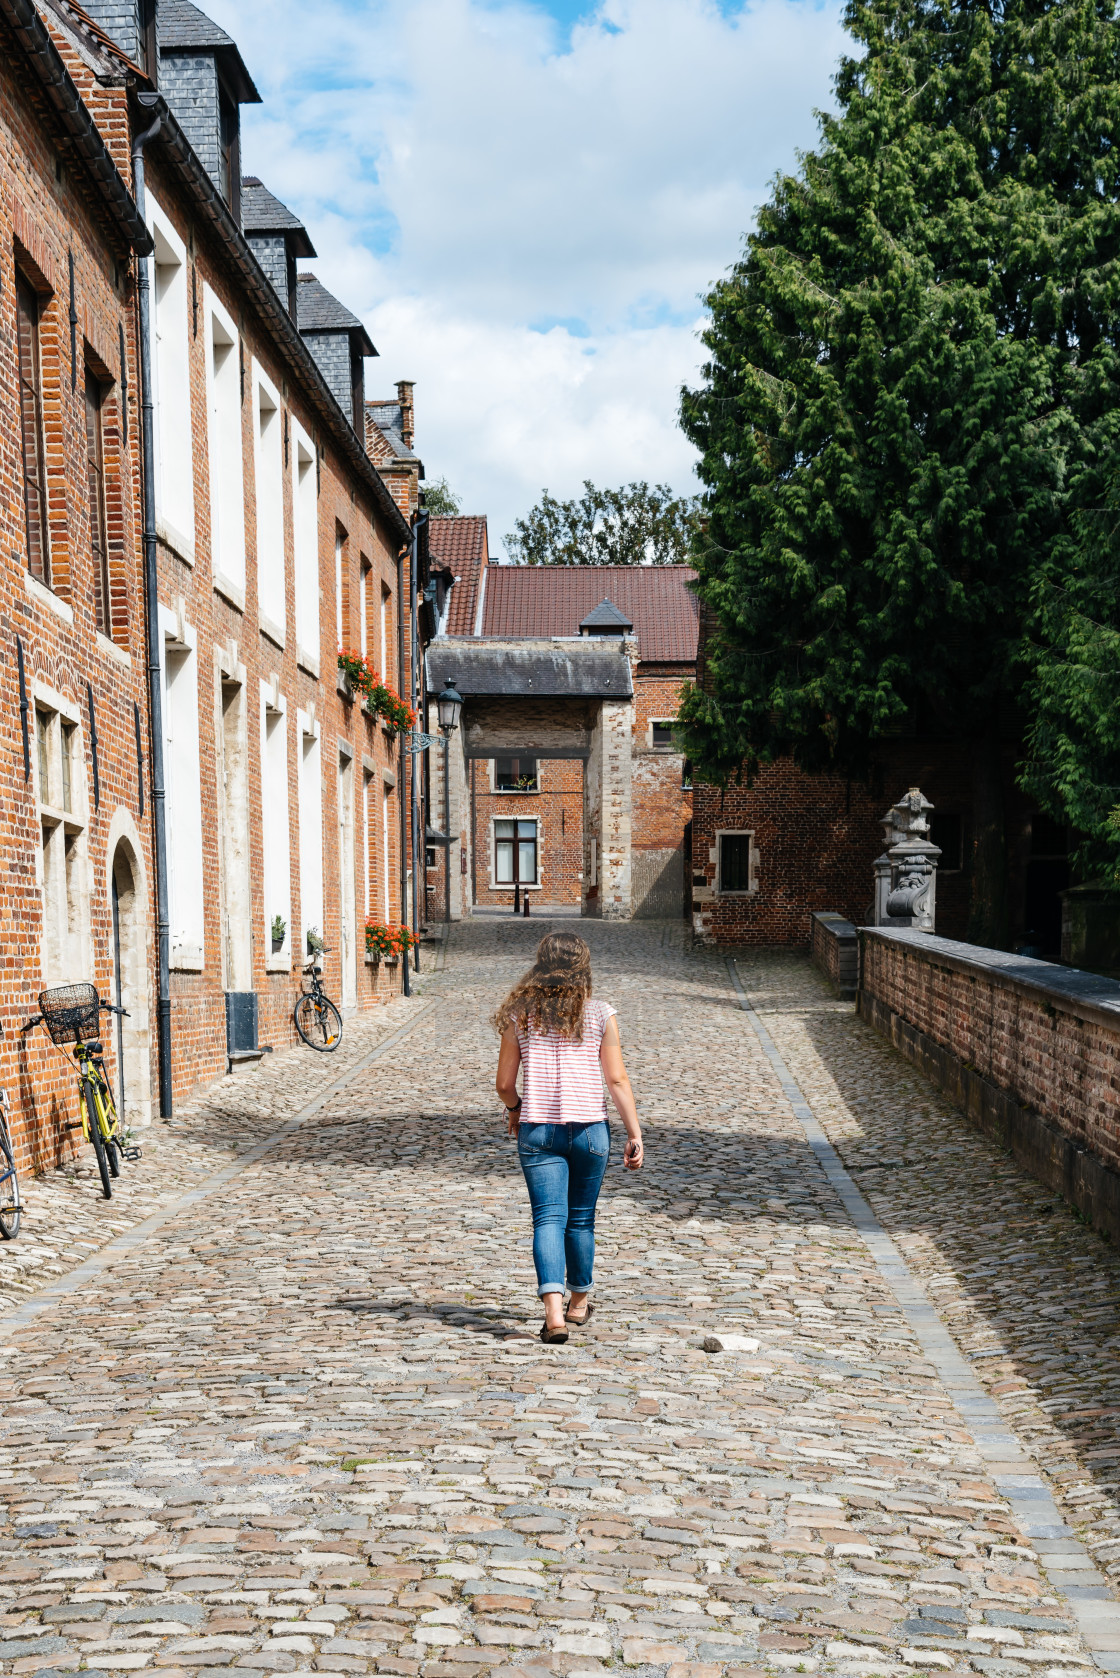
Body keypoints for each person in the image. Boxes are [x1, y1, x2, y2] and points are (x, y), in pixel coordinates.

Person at [494, 931, 643, 1343]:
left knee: (548, 1218)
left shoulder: (519, 1015)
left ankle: (554, 1315)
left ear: (540, 966)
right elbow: (616, 1079)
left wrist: (515, 1109)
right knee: (580, 1219)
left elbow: (505, 1083)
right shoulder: (600, 1015)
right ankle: (579, 1304)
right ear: (584, 967)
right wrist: (634, 1132)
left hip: (538, 1130)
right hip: (591, 1131)